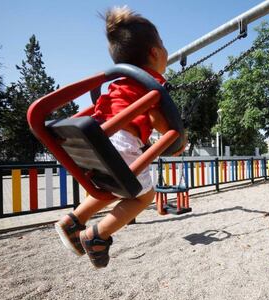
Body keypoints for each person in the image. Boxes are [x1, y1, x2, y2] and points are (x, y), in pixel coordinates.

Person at [55, 6, 185, 268]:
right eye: (164, 46)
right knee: (141, 196)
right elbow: (160, 123)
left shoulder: (120, 82)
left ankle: (72, 222)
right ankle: (96, 235)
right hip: (123, 142)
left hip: (100, 140)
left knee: (112, 185)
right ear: (155, 52)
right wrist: (177, 139)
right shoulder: (150, 84)